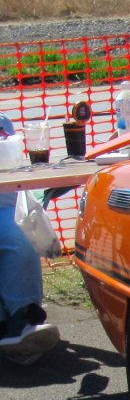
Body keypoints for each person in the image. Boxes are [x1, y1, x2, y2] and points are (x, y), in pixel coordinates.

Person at [0, 115, 60, 366]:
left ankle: (23, 320)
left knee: (17, 235)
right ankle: (16, 326)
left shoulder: (3, 122)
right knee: (14, 236)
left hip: (6, 202)